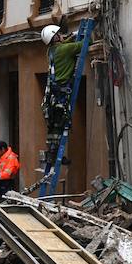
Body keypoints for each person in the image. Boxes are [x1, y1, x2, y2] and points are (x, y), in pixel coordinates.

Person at [41, 24, 84, 172]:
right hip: (62, 92)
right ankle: (55, 155)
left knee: (53, 127)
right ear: (55, 37)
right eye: (59, 34)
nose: (62, 35)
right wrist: (81, 36)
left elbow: (63, 45)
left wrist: (70, 36)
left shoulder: (51, 51)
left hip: (53, 93)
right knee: (60, 125)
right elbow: (85, 44)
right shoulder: (65, 50)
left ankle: (51, 155)